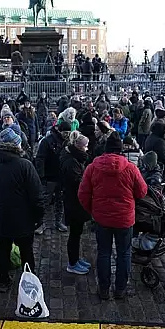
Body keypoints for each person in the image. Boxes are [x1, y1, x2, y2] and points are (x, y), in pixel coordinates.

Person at [78, 132, 147, 300]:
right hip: (124, 219)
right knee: (124, 253)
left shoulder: (93, 167)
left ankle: (103, 289)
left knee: (103, 253)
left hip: (102, 219)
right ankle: (121, 289)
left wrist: (93, 210)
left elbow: (83, 194)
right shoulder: (131, 168)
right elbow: (142, 191)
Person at [0, 128, 44, 293]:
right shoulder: (25, 165)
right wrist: (39, 216)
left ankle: (3, 279)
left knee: (4, 248)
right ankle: (29, 281)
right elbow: (37, 194)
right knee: (26, 251)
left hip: (1, 216)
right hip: (23, 218)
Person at [59, 131, 91, 275]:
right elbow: (76, 182)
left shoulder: (75, 158)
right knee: (74, 234)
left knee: (77, 233)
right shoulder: (71, 161)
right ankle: (72, 263)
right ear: (79, 147)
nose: (87, 149)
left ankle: (76, 259)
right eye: (86, 146)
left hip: (76, 201)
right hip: (73, 201)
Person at [35, 121, 71, 234]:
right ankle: (41, 223)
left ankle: (58, 221)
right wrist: (41, 175)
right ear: (59, 130)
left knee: (60, 201)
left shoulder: (68, 142)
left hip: (62, 177)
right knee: (45, 201)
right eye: (65, 132)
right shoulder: (47, 141)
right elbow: (40, 158)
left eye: (68, 132)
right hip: (49, 176)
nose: (67, 134)